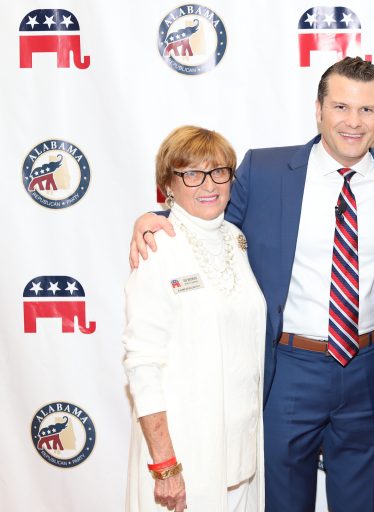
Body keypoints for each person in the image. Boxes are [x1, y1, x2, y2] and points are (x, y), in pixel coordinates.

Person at [129, 58, 374, 511]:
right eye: (341, 107)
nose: (353, 121)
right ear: (318, 110)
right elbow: (207, 215)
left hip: (367, 369)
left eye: (366, 110)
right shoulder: (264, 171)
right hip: (288, 371)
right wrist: (156, 217)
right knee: (282, 503)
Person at [123, 126, 265, 511]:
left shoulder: (236, 239)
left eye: (218, 171)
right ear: (168, 184)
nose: (208, 184)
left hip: (241, 453)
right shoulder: (156, 248)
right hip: (185, 453)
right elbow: (142, 364)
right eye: (191, 174)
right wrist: (165, 464)